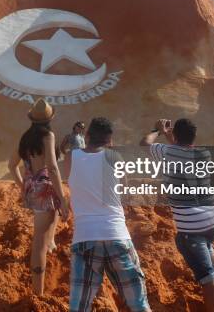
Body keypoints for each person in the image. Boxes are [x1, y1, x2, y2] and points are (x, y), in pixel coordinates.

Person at [140, 118, 214, 312]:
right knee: (209, 248)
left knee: (206, 276)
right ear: (194, 137)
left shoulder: (167, 152)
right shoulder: (203, 154)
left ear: (176, 135)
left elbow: (145, 143)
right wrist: (171, 136)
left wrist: (157, 129)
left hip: (193, 226)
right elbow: (179, 149)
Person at [64, 117, 151, 312]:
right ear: (110, 140)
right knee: (138, 304)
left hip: (85, 237)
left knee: (78, 307)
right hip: (116, 233)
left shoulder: (71, 157)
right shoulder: (115, 158)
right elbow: (124, 191)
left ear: (87, 136)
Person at [8, 98, 69, 296]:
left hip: (33, 191)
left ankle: (51, 242)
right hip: (44, 191)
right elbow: (52, 167)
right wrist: (62, 198)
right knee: (39, 244)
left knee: (45, 233)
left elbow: (11, 166)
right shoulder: (48, 136)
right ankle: (38, 293)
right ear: (50, 119)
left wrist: (23, 186)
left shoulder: (25, 138)